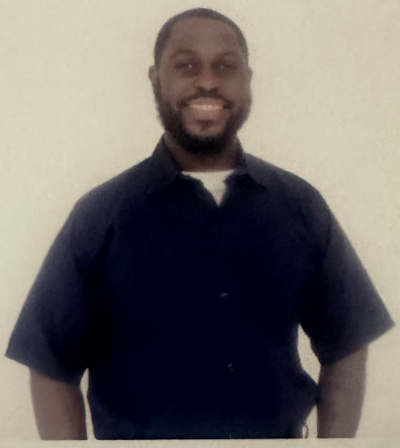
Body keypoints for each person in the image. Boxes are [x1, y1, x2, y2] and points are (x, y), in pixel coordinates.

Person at [6, 7, 394, 440]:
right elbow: (51, 363)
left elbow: (346, 343)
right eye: (187, 66)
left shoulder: (300, 206)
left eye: (225, 66)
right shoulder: (100, 216)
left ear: (247, 80)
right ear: (156, 80)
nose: (208, 81)